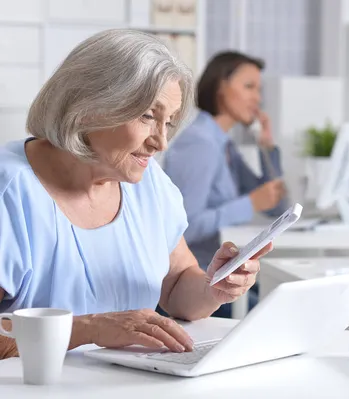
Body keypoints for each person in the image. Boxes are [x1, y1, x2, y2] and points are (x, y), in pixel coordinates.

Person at [0, 29, 268, 360]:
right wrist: (91, 329)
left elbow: (176, 284)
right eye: (147, 117)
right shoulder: (10, 190)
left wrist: (213, 287)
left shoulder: (148, 182)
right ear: (88, 107)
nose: (161, 142)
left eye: (168, 122)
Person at [162, 51, 288, 317]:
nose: (258, 98)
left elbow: (277, 206)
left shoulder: (224, 144)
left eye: (259, 89)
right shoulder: (200, 143)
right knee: (275, 315)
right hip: (195, 286)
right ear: (221, 87)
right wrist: (250, 203)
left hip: (220, 278)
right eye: (249, 86)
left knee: (277, 306)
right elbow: (185, 229)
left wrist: (266, 146)